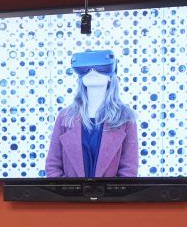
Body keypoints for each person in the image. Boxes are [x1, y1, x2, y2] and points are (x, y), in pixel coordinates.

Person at [44, 48, 140, 178]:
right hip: (70, 196)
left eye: (100, 67)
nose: (92, 71)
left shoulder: (125, 118)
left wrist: (114, 195)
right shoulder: (64, 117)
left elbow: (129, 169)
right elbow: (53, 165)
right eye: (86, 68)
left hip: (110, 197)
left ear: (112, 76)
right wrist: (67, 192)